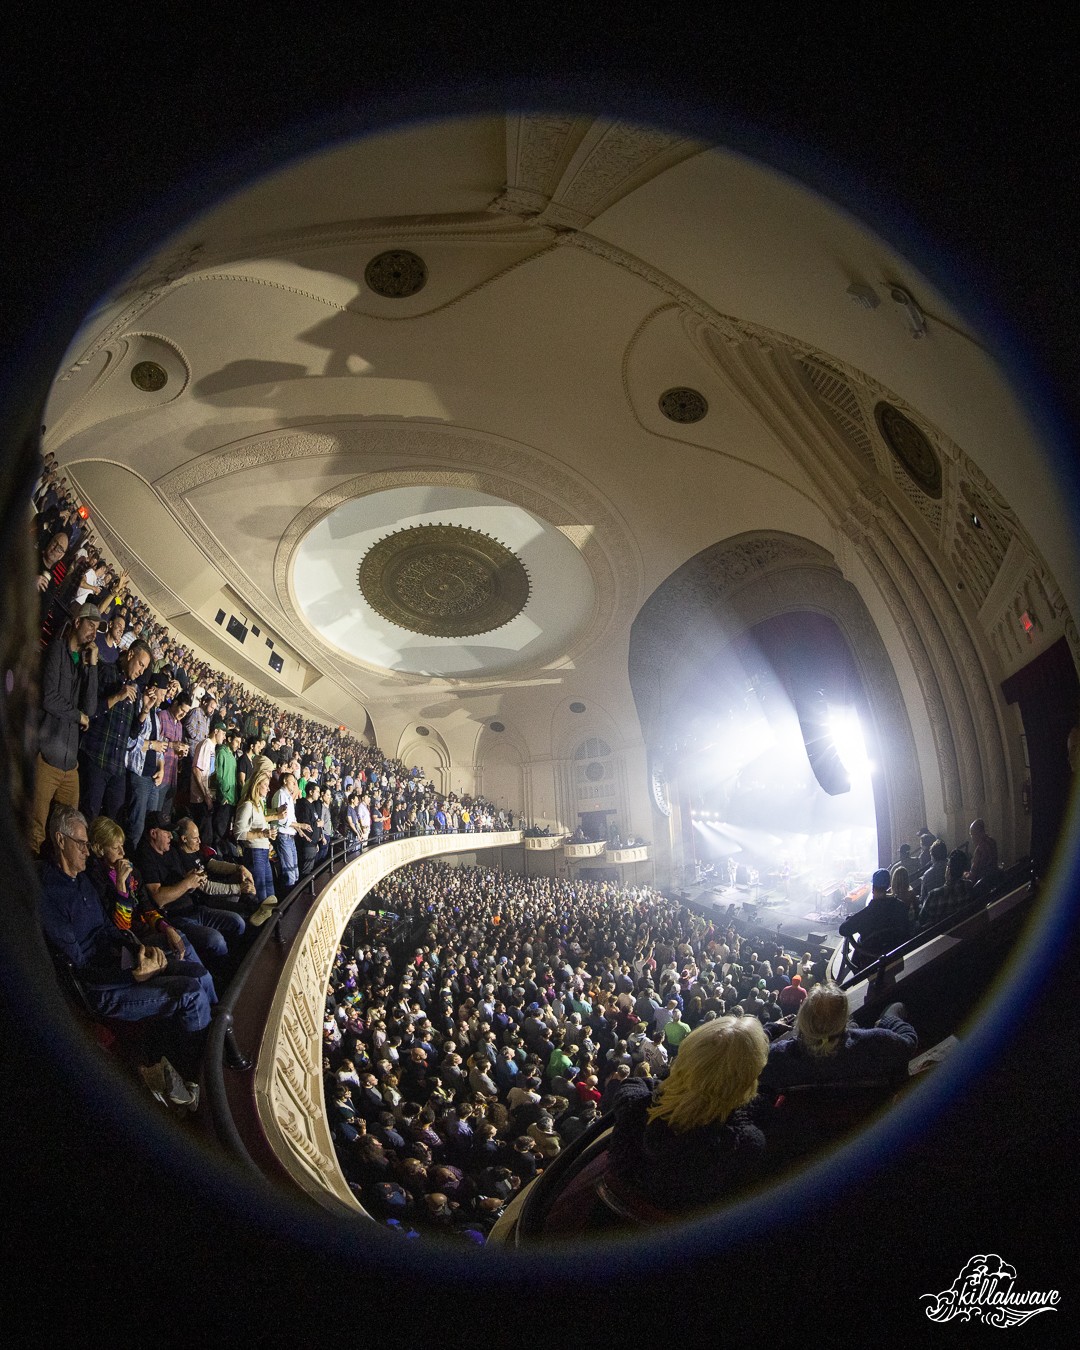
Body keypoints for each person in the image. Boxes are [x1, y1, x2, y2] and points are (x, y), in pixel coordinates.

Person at [38, 805, 213, 1058]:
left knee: (197, 973)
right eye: (82, 844)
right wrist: (133, 975)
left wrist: (140, 949)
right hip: (103, 987)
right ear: (60, 840)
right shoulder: (49, 893)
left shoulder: (83, 880)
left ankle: (213, 1032)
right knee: (191, 993)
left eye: (87, 844)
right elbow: (79, 969)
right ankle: (201, 1068)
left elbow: (111, 929)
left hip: (121, 960)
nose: (87, 851)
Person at [603, 1016, 770, 1215]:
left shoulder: (633, 1098)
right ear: (749, 1078)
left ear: (682, 1059)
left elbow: (660, 1083)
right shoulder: (744, 1145)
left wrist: (689, 1069)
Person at [32, 601, 100, 855]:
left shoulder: (84, 664)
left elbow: (90, 708)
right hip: (48, 757)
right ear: (77, 622)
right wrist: (78, 716)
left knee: (71, 830)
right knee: (35, 828)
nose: (93, 632)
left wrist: (92, 667)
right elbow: (49, 698)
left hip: (70, 764)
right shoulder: (56, 650)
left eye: (97, 628)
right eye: (90, 625)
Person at [837, 867, 909, 961]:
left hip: (869, 962)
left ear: (873, 888)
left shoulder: (867, 914)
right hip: (895, 959)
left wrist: (850, 918)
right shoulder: (901, 907)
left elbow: (843, 930)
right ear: (889, 886)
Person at [918, 848, 975, 930]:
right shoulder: (969, 886)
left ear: (948, 870)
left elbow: (921, 919)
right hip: (964, 929)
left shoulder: (934, 895)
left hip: (938, 934)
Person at [967, 818, 1000, 887]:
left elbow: (973, 874)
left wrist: (964, 875)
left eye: (972, 834)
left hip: (982, 884)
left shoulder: (980, 850)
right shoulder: (992, 842)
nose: (972, 838)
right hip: (995, 879)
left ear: (979, 833)